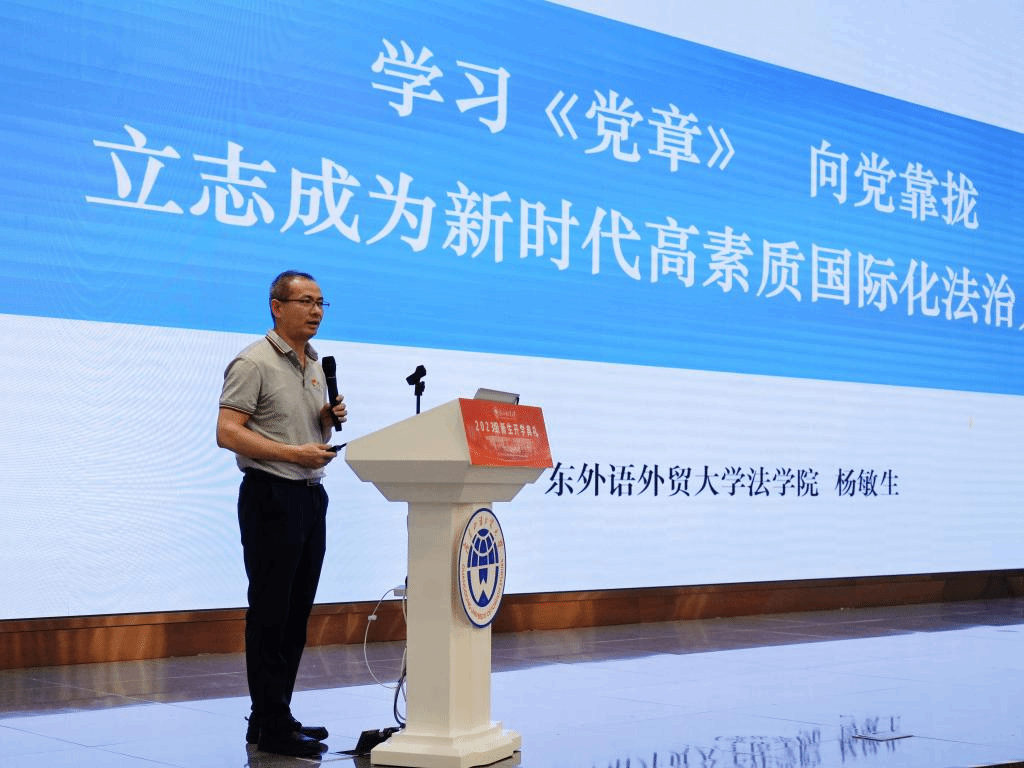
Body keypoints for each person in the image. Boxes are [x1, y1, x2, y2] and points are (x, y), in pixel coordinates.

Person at [216, 270, 347, 758]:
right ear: (277, 306)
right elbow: (228, 432)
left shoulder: (313, 363)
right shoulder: (254, 362)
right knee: (271, 612)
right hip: (271, 496)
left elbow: (301, 432)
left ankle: (273, 715)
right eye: (305, 301)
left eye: (321, 303)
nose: (315, 311)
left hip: (310, 496)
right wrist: (295, 454)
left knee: (296, 615)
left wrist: (324, 421)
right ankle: (271, 722)